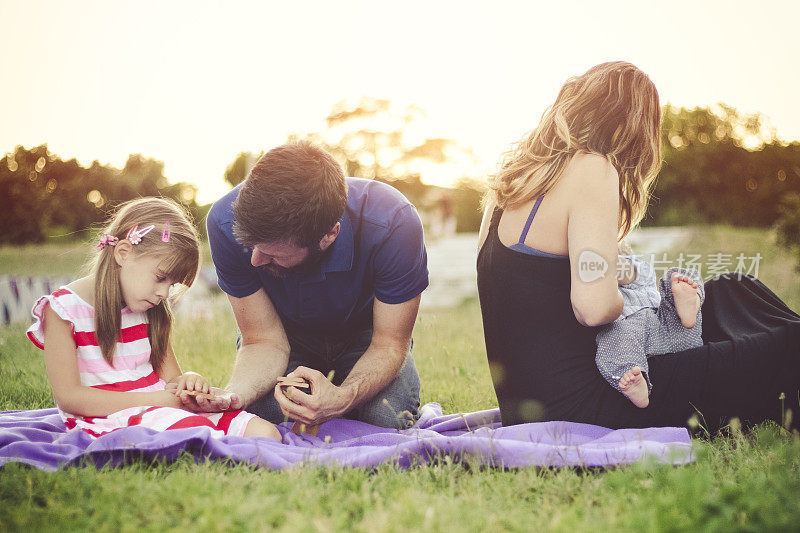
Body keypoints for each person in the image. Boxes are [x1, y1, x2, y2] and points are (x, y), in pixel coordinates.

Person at [477, 61, 800, 433]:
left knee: (734, 289)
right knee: (788, 345)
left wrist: (624, 278)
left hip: (533, 401)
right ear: (631, 127)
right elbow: (595, 309)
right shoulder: (593, 168)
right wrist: (630, 296)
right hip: (596, 396)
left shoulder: (508, 186)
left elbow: (541, 289)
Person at [198, 141, 428, 429]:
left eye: (273, 254)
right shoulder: (222, 221)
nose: (255, 260)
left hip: (368, 336)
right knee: (262, 413)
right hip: (284, 334)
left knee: (385, 417)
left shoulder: (395, 220)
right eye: (252, 246)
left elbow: (389, 343)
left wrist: (343, 397)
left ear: (328, 235)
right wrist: (234, 396)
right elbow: (261, 339)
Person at [26, 197, 281, 440]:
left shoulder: (150, 311)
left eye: (172, 285)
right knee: (197, 432)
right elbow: (70, 398)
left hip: (163, 412)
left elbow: (172, 381)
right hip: (112, 418)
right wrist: (158, 400)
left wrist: (189, 381)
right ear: (123, 253)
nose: (164, 294)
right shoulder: (63, 310)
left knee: (265, 432)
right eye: (160, 278)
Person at [596, 246, 704, 408]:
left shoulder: (637, 269)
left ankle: (689, 305)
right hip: (632, 339)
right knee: (610, 336)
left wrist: (595, 258)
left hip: (666, 324)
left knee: (677, 275)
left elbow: (617, 270)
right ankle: (636, 381)